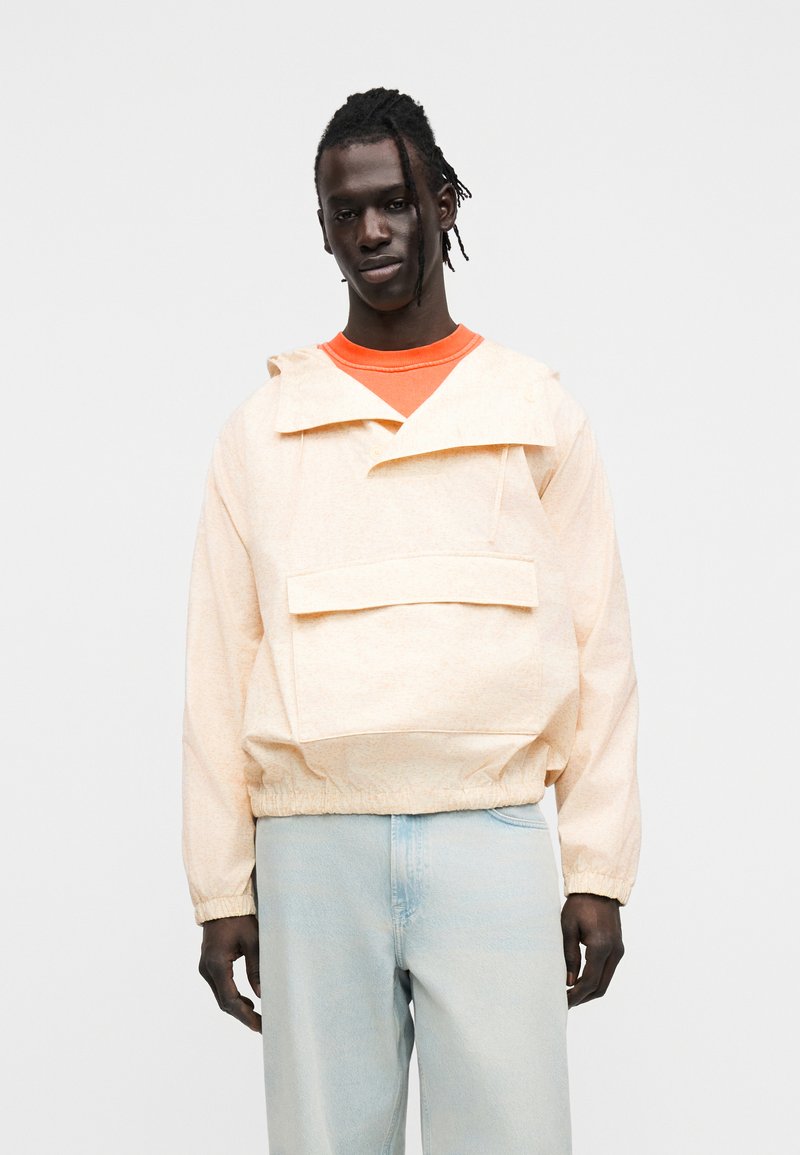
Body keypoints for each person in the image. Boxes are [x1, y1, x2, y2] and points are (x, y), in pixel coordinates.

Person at [181, 86, 641, 1154]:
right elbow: (218, 661)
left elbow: (600, 650)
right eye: (345, 212)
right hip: (311, 844)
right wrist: (219, 885)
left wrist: (596, 866)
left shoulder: (533, 410)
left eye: (393, 201)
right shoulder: (265, 427)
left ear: (443, 202)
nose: (372, 231)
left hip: (491, 829)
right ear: (323, 229)